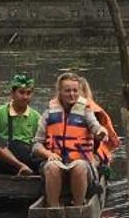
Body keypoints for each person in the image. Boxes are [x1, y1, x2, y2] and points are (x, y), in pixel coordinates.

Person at [39, 71, 108, 206]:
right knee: (52, 166)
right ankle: (54, 208)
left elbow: (96, 127)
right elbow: (36, 145)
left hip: (80, 163)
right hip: (56, 163)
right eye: (67, 91)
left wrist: (101, 132)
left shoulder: (86, 113)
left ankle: (78, 206)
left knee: (79, 166)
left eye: (75, 91)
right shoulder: (48, 114)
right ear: (60, 91)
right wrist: (48, 154)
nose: (72, 94)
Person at [0, 72, 42, 175]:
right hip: (2, 159)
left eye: (28, 93)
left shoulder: (36, 116)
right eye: (21, 92)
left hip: (26, 156)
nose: (25, 97)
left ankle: (26, 168)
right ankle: (20, 166)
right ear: (12, 93)